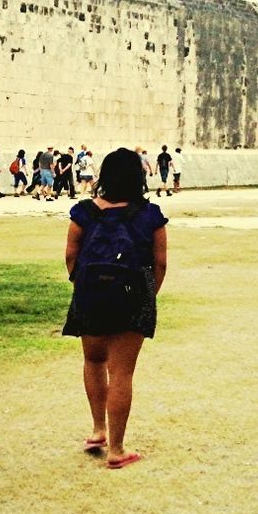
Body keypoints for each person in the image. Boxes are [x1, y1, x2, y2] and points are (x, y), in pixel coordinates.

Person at [63, 147, 168, 470]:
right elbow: (160, 262)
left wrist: (81, 285)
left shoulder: (83, 212)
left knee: (93, 361)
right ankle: (117, 449)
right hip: (131, 296)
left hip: (90, 295)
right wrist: (149, 295)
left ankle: (98, 430)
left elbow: (70, 256)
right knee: (121, 372)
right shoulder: (150, 216)